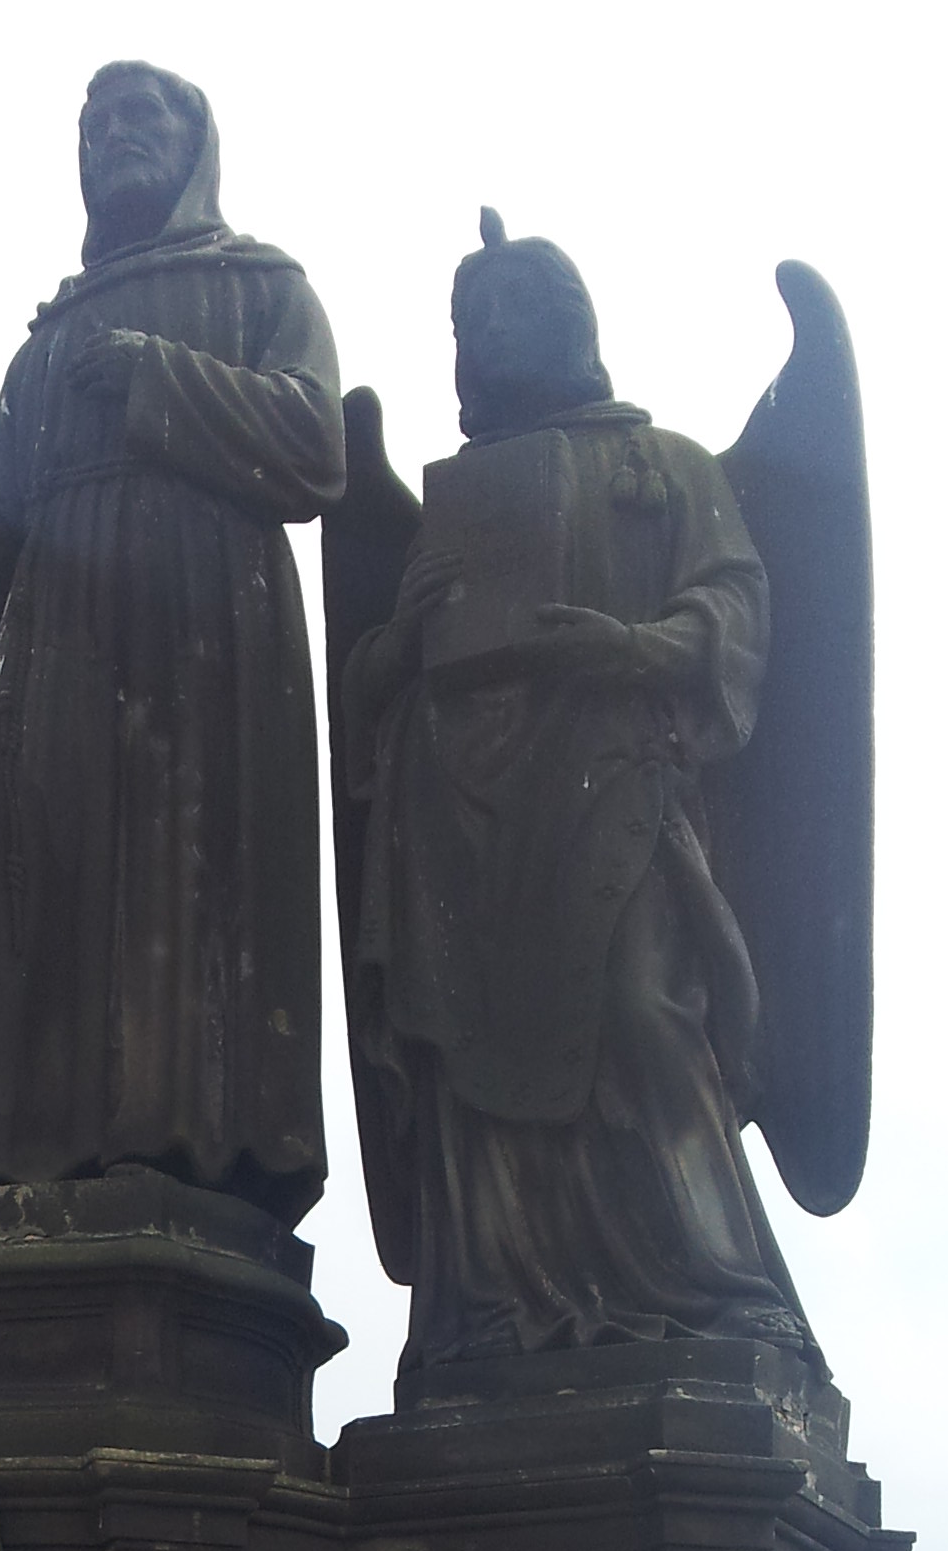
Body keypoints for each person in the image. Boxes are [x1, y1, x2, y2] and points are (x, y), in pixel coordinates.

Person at [0, 60, 343, 1224]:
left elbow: (318, 450)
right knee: (20, 877)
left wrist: (159, 379)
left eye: (142, 115)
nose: (115, 134)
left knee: (180, 890)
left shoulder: (262, 284)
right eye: (95, 121)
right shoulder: (44, 344)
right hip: (58, 644)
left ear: (194, 143)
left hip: (204, 640)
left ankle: (171, 1138)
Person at [344, 214, 816, 1366]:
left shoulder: (665, 468)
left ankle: (717, 1288)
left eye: (508, 310)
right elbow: (366, 687)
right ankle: (495, 1307)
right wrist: (399, 642)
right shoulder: (457, 499)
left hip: (610, 786)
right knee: (466, 1064)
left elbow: (736, 605)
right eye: (467, 321)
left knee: (645, 1018)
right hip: (455, 816)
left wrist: (640, 647)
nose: (485, 335)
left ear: (570, 323)